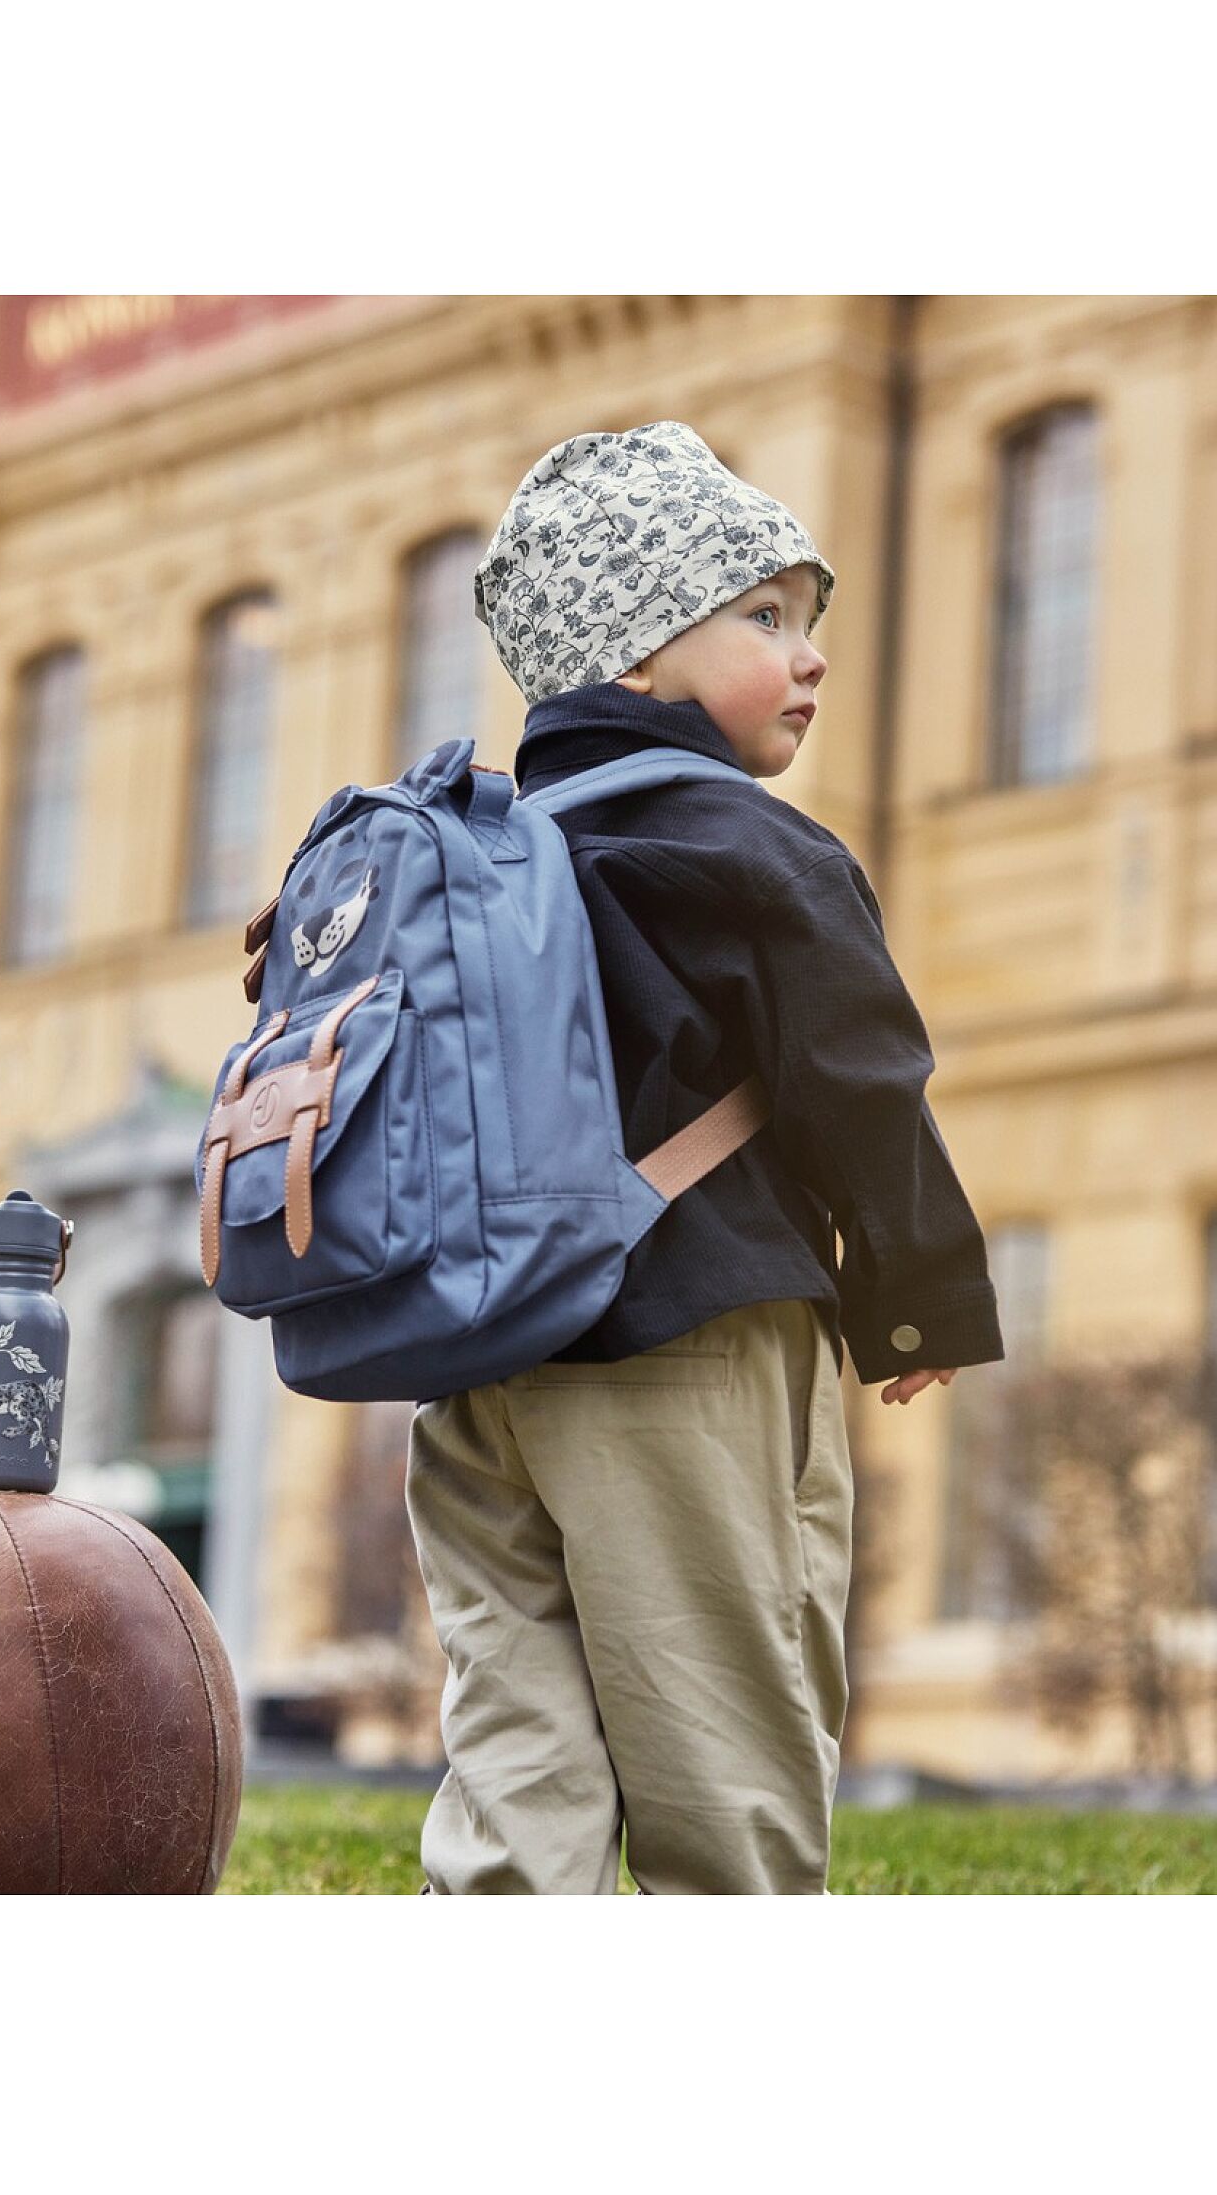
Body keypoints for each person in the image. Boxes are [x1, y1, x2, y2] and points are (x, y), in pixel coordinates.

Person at [405, 421, 1005, 1894]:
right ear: (633, 653)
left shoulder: (458, 854)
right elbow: (864, 1079)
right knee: (725, 1754)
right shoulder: (752, 847)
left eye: (809, 622)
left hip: (478, 1359)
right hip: (691, 1335)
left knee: (514, 1755)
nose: (809, 657)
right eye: (763, 616)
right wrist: (914, 1295)